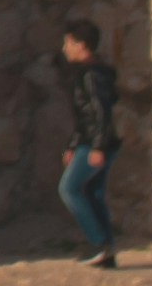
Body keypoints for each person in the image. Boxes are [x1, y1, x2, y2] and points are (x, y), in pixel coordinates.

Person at [58, 19, 121, 268]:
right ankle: (107, 251)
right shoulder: (92, 72)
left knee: (69, 189)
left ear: (81, 45)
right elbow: (83, 116)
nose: (65, 49)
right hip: (94, 142)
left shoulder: (90, 75)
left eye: (68, 43)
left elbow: (100, 113)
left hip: (96, 143)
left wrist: (97, 147)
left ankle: (99, 243)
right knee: (93, 194)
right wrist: (72, 146)